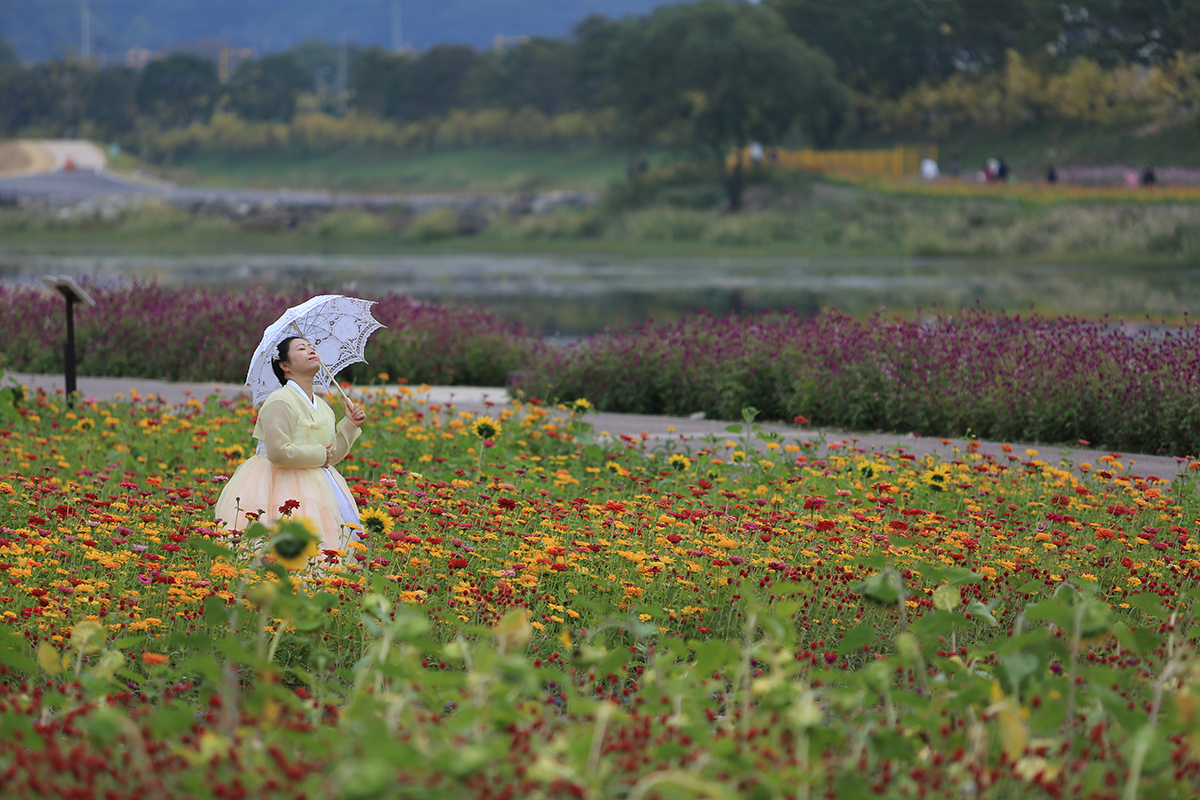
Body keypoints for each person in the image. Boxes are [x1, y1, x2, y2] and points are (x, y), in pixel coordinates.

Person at [214, 336, 368, 550]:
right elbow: (278, 452)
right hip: (278, 485)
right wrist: (320, 455)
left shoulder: (323, 407)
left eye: (312, 347)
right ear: (285, 365)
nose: (311, 350)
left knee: (321, 552)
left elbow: (330, 456)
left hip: (319, 488)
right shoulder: (279, 400)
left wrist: (350, 424)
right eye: (302, 348)